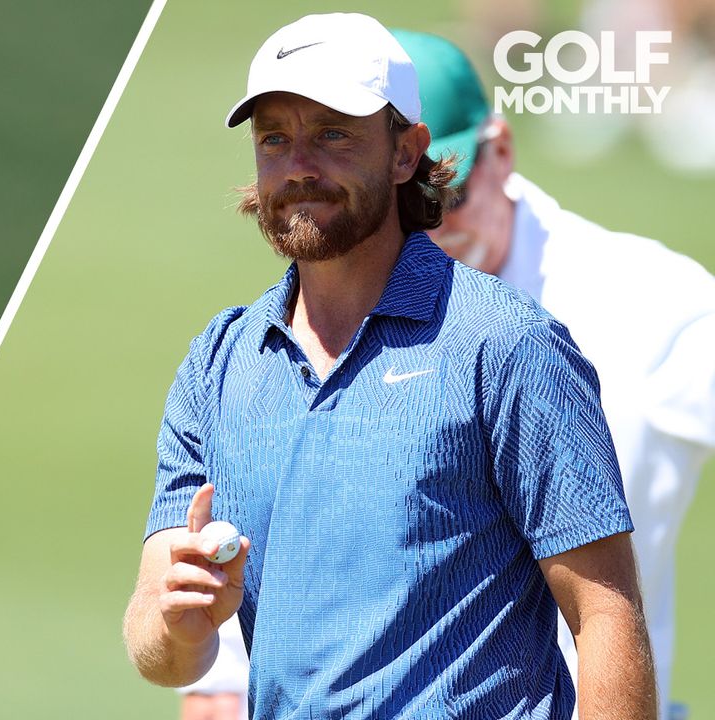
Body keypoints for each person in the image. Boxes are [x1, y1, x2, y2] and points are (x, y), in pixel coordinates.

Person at [122, 13, 657, 719]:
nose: (299, 166)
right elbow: (154, 646)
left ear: (406, 152)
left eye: (333, 135)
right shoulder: (219, 364)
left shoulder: (507, 343)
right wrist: (178, 626)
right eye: (274, 139)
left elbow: (606, 614)